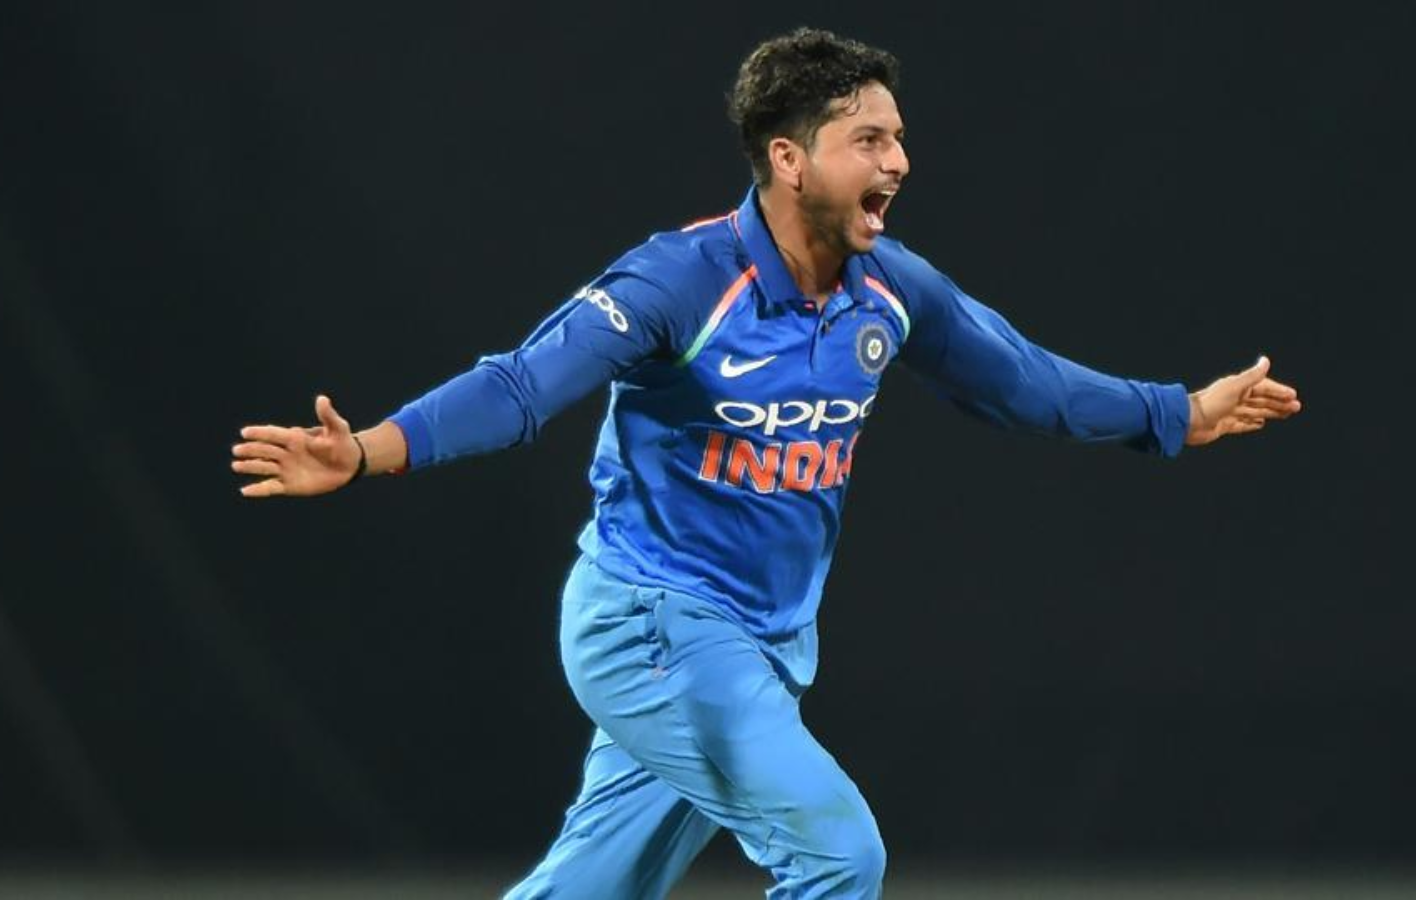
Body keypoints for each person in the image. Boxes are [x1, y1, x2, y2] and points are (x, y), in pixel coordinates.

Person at [231, 27, 1300, 900]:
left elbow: (1024, 381)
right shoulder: (682, 283)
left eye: (899, 139)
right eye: (868, 140)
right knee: (839, 858)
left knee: (589, 890)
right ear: (790, 160)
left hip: (766, 641)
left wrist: (1176, 413)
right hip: (654, 627)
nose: (898, 163)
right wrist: (367, 451)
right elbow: (519, 387)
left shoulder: (888, 289)